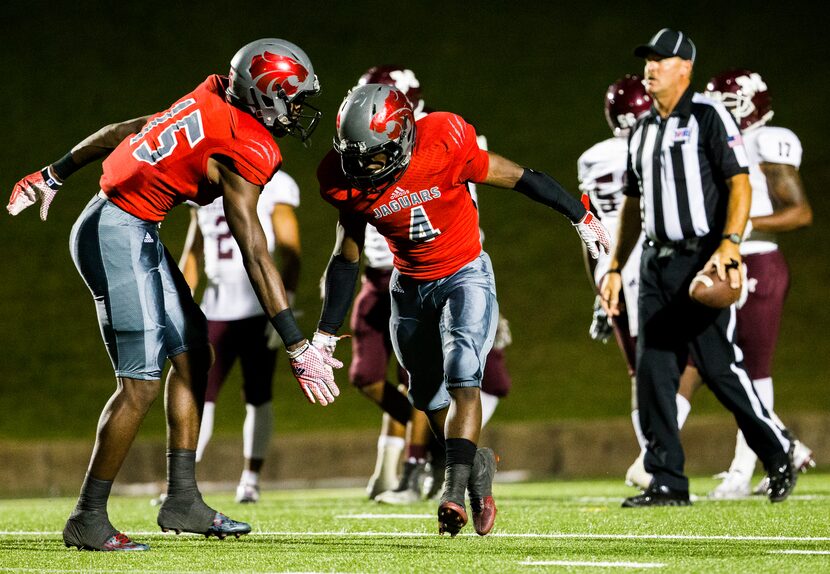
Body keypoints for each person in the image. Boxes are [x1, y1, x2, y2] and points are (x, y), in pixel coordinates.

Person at [6, 38, 339, 551]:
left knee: (193, 352)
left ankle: (181, 499)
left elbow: (125, 131)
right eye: (292, 98)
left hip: (131, 227)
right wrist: (298, 344)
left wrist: (55, 172)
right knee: (139, 382)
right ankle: (87, 517)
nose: (297, 110)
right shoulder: (249, 143)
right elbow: (254, 246)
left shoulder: (211, 96)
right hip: (116, 231)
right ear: (267, 95)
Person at [314, 83, 609, 536]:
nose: (363, 168)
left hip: (464, 274)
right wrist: (324, 333)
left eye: (373, 155)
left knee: (462, 369)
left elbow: (518, 176)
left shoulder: (444, 141)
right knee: (426, 395)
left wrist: (578, 215)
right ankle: (479, 468)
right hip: (409, 285)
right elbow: (346, 256)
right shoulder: (347, 178)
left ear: (403, 137)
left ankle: (454, 491)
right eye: (355, 157)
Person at [600, 29, 797, 507]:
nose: (650, 68)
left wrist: (729, 244)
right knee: (654, 371)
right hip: (654, 261)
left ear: (684, 68)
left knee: (717, 365)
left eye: (660, 60)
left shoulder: (710, 117)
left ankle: (779, 449)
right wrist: (614, 265)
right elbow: (631, 203)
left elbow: (740, 184)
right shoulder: (643, 130)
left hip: (700, 258)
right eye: (647, 60)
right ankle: (668, 478)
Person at [345, 66, 513, 504]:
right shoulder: (363, 152)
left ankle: (425, 467)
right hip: (386, 275)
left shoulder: (441, 138)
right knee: (374, 377)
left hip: (446, 267)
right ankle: (451, 451)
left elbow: (466, 212)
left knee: (449, 376)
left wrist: (476, 285)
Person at [676, 68, 813, 499]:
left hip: (755, 260)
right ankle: (784, 446)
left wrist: (739, 224)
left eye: (730, 106)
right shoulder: (716, 141)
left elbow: (799, 211)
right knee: (705, 359)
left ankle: (747, 467)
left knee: (752, 366)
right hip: (722, 262)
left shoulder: (766, 141)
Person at [578, 75, 692, 491]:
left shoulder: (590, 158)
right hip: (651, 262)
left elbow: (588, 228)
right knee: (687, 359)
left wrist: (598, 285)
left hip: (609, 267)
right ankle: (653, 456)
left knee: (638, 370)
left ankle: (652, 455)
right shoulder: (656, 142)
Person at [179, 170, 303, 503]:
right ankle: (182, 480)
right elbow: (193, 252)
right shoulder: (204, 187)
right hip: (214, 308)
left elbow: (290, 249)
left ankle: (250, 479)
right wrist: (181, 304)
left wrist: (284, 305)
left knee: (258, 394)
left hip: (258, 308)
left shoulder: (274, 184)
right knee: (197, 394)